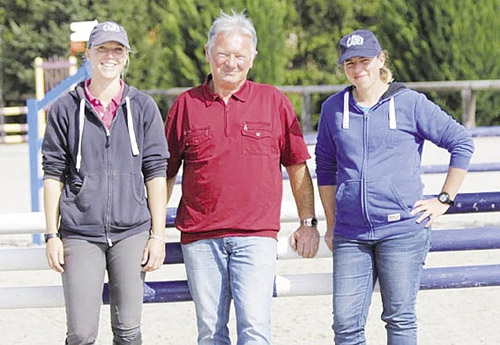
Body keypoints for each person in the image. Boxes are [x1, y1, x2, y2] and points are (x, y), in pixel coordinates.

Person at [165, 10, 320, 345]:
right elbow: (164, 174)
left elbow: (297, 167)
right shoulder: (185, 105)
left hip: (256, 236)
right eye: (222, 54)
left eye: (239, 55)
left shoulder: (274, 101)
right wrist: (149, 232)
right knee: (210, 333)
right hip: (200, 238)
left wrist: (309, 222)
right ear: (208, 54)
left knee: (254, 329)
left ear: (253, 58)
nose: (230, 63)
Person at [315, 29, 474, 345]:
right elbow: (325, 169)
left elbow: (461, 141)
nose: (358, 69)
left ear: (381, 59)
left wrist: (444, 199)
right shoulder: (333, 109)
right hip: (350, 235)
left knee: (399, 320)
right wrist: (331, 223)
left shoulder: (410, 102)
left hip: (402, 232)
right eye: (350, 63)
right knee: (345, 327)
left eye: (365, 61)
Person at [42, 21, 169, 345]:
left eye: (117, 50)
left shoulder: (143, 108)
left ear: (126, 57)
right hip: (80, 232)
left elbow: (155, 173)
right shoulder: (65, 109)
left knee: (128, 332)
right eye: (102, 49)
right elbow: (53, 173)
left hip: (131, 232)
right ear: (89, 54)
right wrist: (51, 235)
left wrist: (157, 235)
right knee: (81, 334)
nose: (109, 56)